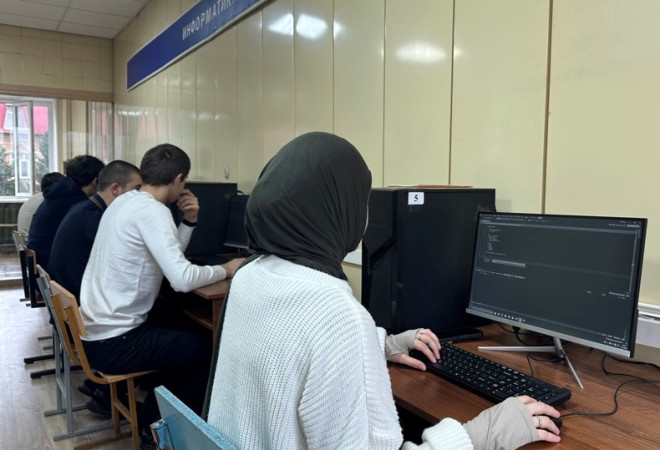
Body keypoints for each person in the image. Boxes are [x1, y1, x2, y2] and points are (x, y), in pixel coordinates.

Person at [204, 132, 562, 449]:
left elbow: (289, 352)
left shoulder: (252, 274)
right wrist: (482, 435)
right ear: (339, 210)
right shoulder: (335, 313)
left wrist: (379, 345)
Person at [78, 143, 244, 446]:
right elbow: (181, 279)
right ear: (179, 179)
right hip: (116, 342)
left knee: (183, 327)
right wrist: (228, 268)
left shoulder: (125, 201)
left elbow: (168, 257)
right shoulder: (153, 211)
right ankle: (157, 434)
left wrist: (189, 221)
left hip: (97, 333)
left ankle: (153, 417)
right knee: (207, 351)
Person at [48, 160, 142, 415]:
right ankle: (110, 394)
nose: (141, 196)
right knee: (149, 319)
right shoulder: (96, 218)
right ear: (116, 189)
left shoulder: (83, 208)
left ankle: (100, 387)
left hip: (71, 307)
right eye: (136, 189)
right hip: (85, 316)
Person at [27, 155, 105, 269]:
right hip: (50, 265)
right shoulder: (77, 202)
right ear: (95, 181)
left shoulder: (61, 192)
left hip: (41, 261)